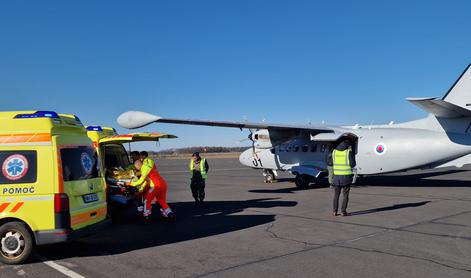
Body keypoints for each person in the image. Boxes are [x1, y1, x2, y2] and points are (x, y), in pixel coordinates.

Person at [127, 151, 174, 220]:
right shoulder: (150, 165)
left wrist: (131, 184)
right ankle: (169, 213)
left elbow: (141, 181)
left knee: (147, 200)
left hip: (156, 186)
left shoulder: (144, 169)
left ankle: (146, 215)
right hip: (163, 184)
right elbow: (145, 183)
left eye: (136, 167)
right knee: (161, 201)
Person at [331, 139, 356, 216]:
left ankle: (334, 211)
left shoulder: (334, 152)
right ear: (347, 145)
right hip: (346, 177)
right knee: (345, 195)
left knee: (336, 195)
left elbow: (330, 162)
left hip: (336, 177)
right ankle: (343, 211)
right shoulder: (348, 152)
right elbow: (352, 164)